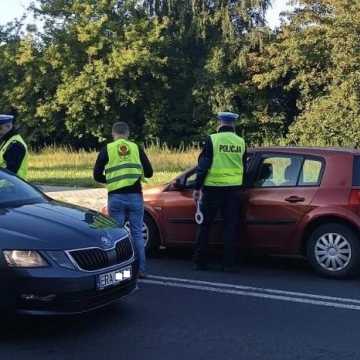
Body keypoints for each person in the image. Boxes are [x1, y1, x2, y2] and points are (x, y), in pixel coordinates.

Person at [93, 122, 153, 278]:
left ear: (113, 134)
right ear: (127, 133)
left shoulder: (108, 149)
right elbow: (149, 172)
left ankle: (119, 272)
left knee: (116, 236)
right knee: (137, 234)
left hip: (116, 197)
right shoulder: (136, 148)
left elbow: (96, 175)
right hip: (135, 196)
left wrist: (112, 180)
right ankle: (141, 270)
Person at [193, 112, 246, 272]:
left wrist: (197, 187)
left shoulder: (213, 139)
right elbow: (243, 166)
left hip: (212, 189)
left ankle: (200, 262)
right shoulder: (241, 142)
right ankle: (228, 264)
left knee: (205, 226)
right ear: (233, 125)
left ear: (219, 123)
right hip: (234, 191)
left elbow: (203, 165)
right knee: (230, 227)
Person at [0, 114, 28, 179]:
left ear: (9, 126)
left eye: (0, 128)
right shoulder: (7, 140)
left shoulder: (15, 144)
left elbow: (11, 171)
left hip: (11, 187)